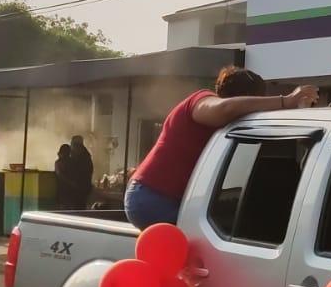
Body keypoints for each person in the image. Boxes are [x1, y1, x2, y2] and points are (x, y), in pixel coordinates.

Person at [124, 67, 319, 229]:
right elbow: (225, 109)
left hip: (176, 200)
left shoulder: (232, 126)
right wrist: (286, 100)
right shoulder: (200, 101)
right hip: (152, 196)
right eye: (255, 101)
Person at [68, 135, 95, 207]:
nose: (71, 147)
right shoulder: (84, 155)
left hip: (80, 188)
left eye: (73, 144)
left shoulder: (82, 157)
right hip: (81, 187)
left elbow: (80, 172)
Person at [53, 144, 81, 211]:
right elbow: (60, 175)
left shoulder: (59, 162)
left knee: (63, 209)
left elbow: (59, 174)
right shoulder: (72, 162)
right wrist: (71, 183)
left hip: (63, 190)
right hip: (68, 191)